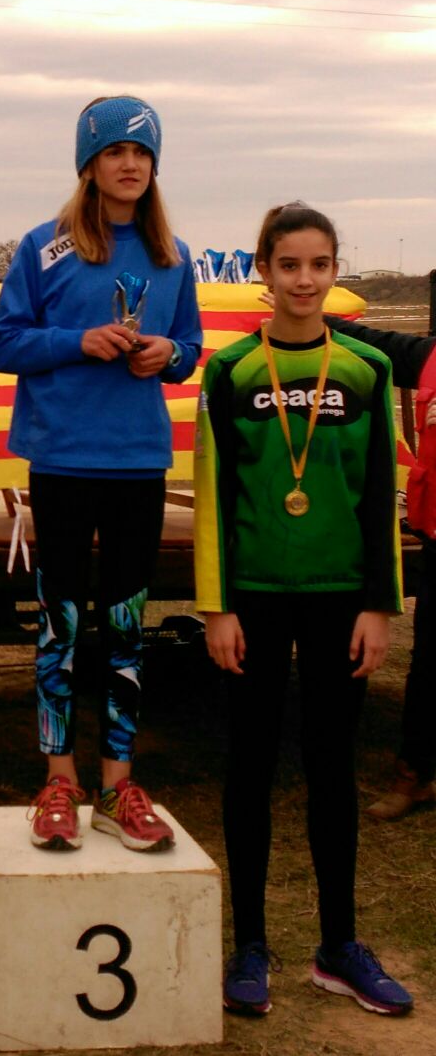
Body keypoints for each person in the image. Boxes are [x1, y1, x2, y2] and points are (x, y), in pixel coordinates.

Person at [196, 203, 413, 1017]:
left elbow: (379, 496)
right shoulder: (230, 370)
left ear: (334, 270)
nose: (304, 279)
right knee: (249, 764)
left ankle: (338, 945)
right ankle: (250, 943)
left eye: (319, 264)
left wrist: (379, 604)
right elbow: (213, 492)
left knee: (331, 767)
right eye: (289, 264)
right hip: (253, 597)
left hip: (338, 597)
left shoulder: (366, 368)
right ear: (264, 269)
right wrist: (216, 606)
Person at [0, 96, 202, 852]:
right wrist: (78, 341)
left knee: (125, 628)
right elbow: (2, 344)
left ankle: (117, 785)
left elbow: (189, 347)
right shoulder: (43, 248)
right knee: (61, 625)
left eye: (142, 153)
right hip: (63, 458)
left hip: (138, 460)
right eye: (114, 151)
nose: (130, 164)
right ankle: (58, 780)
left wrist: (167, 355)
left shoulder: (173, 255)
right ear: (89, 164)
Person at [319, 313, 436, 819]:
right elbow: (375, 342)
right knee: (429, 667)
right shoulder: (430, 357)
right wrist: (313, 312)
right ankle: (415, 776)